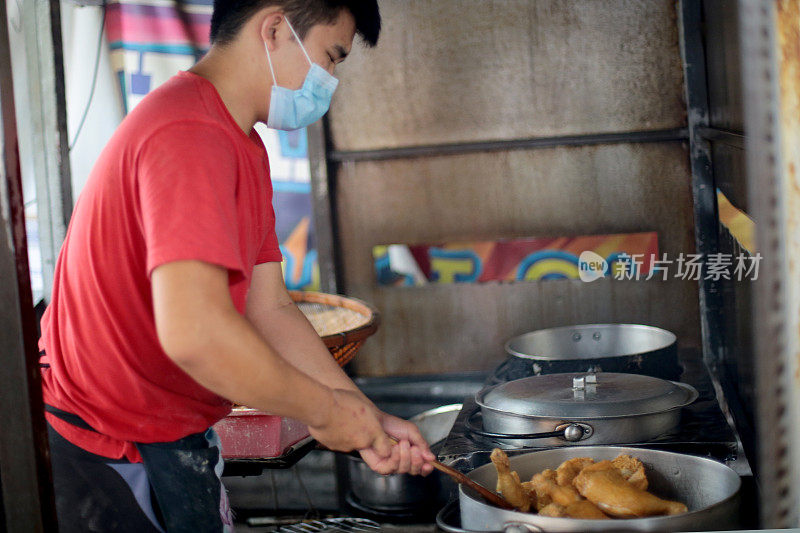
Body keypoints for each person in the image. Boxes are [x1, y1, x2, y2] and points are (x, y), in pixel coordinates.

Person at [38, 1, 434, 530]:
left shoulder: (241, 143)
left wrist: (365, 416)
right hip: (112, 440)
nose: (330, 80)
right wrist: (324, 412)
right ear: (273, 28)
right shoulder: (187, 133)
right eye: (330, 57)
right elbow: (197, 334)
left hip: (170, 429)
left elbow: (268, 308)